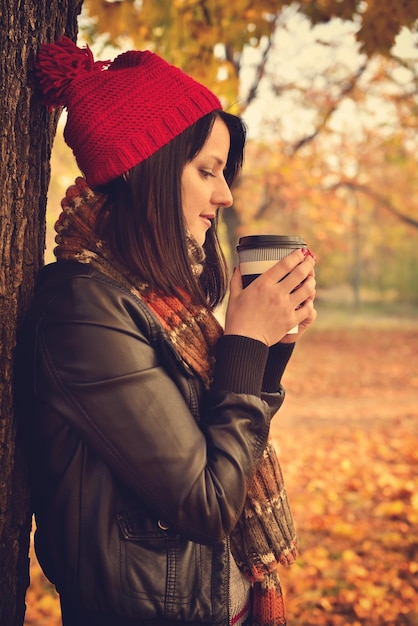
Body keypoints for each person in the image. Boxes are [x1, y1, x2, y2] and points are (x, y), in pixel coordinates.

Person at [19, 36, 317, 626]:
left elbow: (220, 434)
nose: (224, 195)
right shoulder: (84, 309)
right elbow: (207, 501)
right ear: (147, 170)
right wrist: (243, 344)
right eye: (207, 170)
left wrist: (269, 351)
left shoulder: (162, 299)